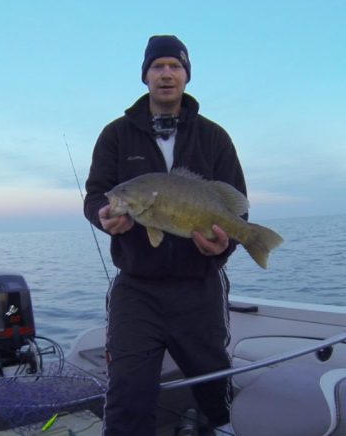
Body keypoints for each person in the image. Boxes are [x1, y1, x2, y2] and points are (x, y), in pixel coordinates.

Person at [84, 35, 245, 436]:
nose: (167, 74)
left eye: (175, 66)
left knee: (213, 385)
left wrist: (227, 244)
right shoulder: (116, 135)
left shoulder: (215, 137)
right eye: (158, 67)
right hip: (137, 287)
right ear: (146, 76)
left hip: (199, 285)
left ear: (186, 76)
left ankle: (221, 427)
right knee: (128, 391)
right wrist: (103, 216)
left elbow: (237, 209)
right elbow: (96, 196)